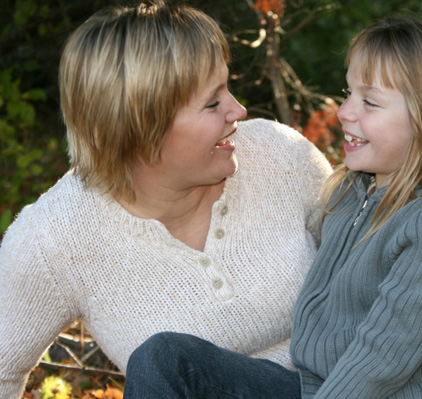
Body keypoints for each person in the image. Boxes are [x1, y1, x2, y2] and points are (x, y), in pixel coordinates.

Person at [123, 17, 422, 399]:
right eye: (349, 93)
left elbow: (380, 359)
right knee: (166, 361)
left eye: (370, 102)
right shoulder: (352, 192)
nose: (345, 111)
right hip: (318, 389)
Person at [0, 2, 333, 398]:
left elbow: (382, 272)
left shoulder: (282, 157)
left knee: (164, 359)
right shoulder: (54, 237)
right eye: (212, 103)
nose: (238, 110)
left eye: (228, 87)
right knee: (163, 361)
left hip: (340, 384)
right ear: (140, 129)